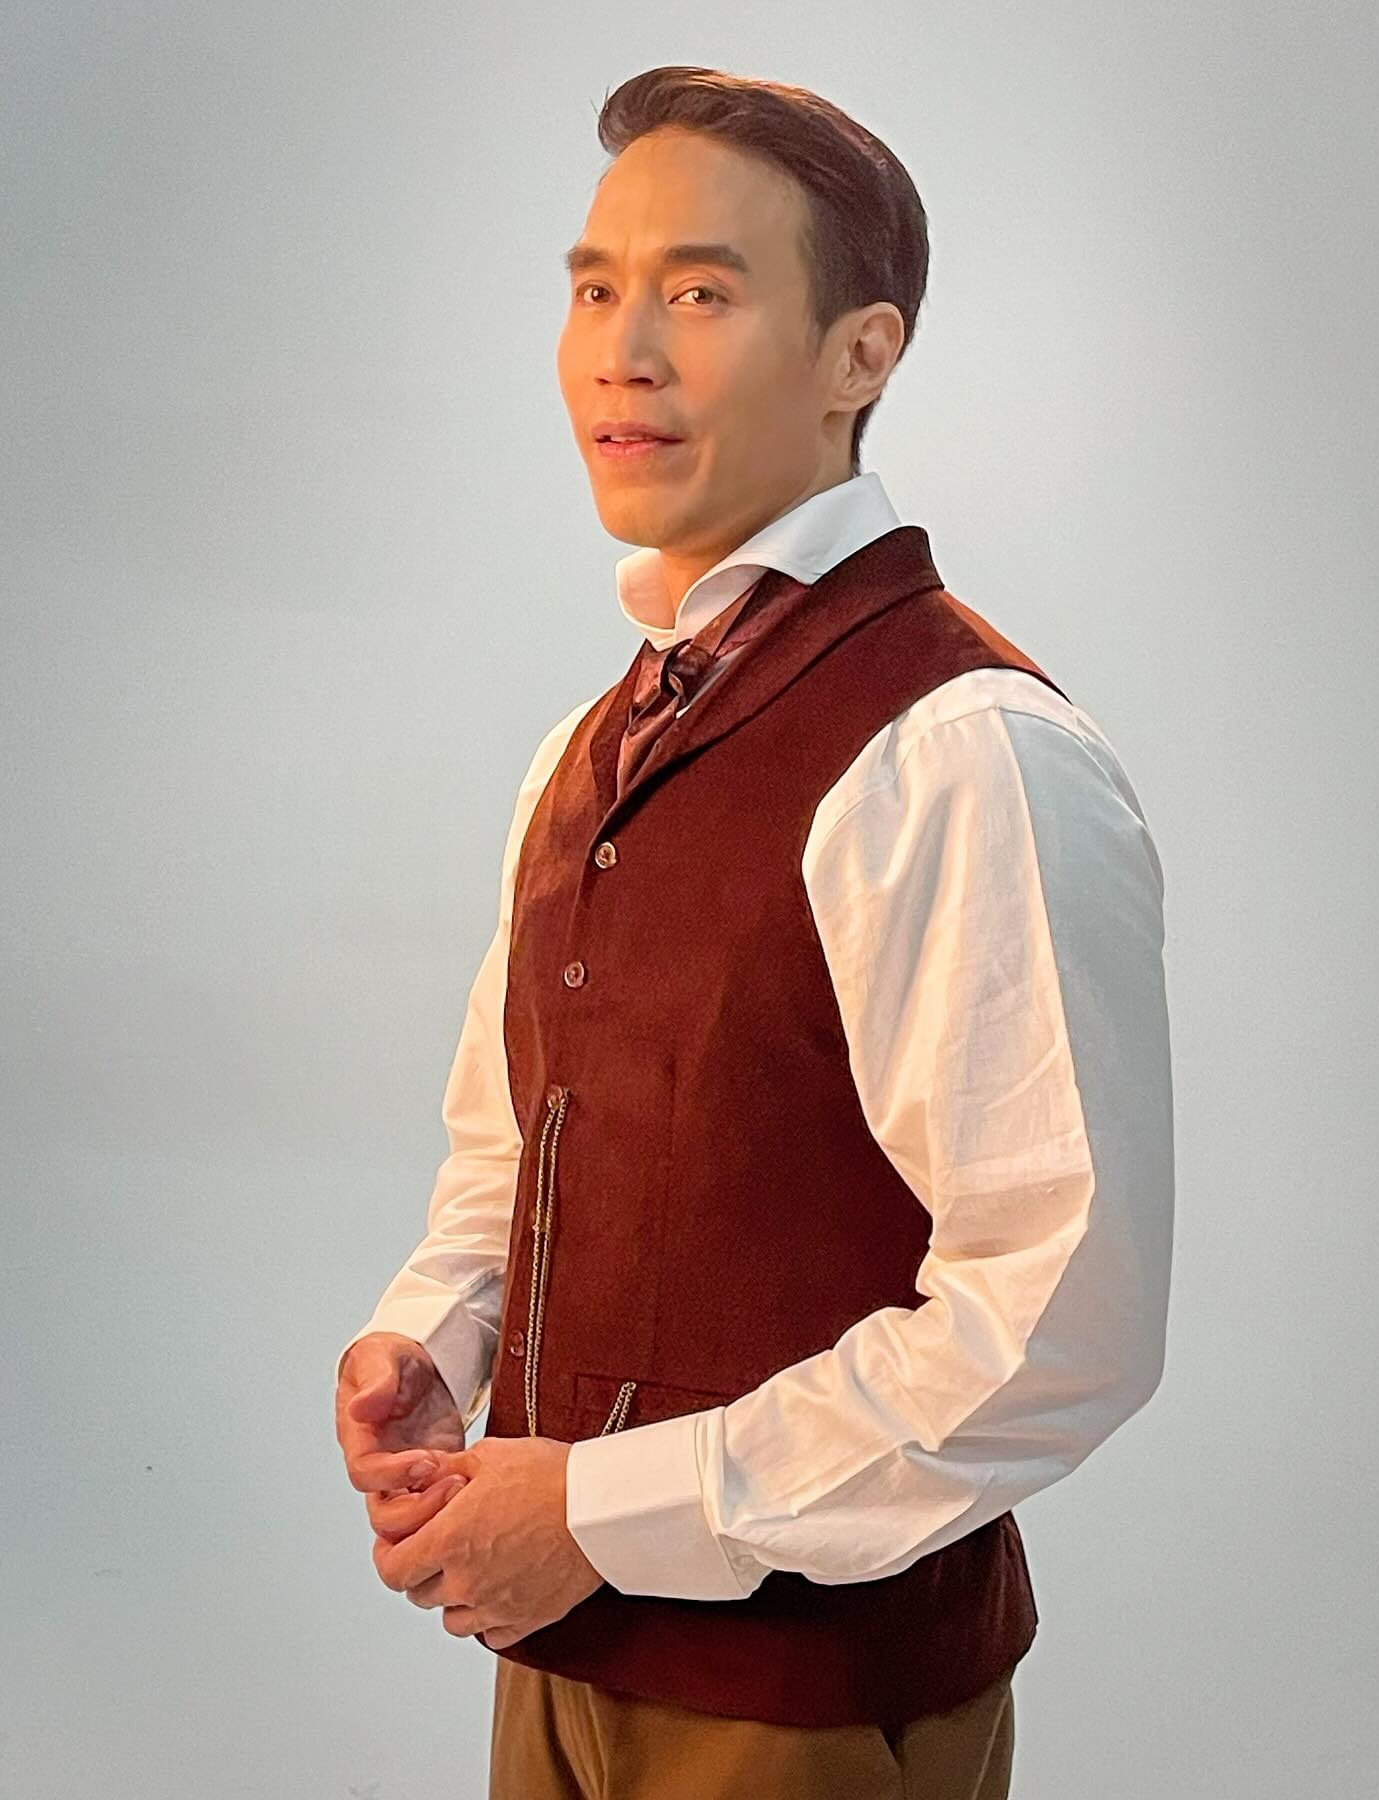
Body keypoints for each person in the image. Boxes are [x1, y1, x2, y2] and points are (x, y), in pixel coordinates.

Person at [333, 64, 1174, 1800]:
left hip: (803, 1717)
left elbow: (1054, 1326)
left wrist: (598, 1512)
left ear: (862, 354)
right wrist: (442, 1338)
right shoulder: (588, 750)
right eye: (594, 290)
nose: (621, 352)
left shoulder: (961, 747)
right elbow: (517, 1147)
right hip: (553, 1663)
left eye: (701, 293)